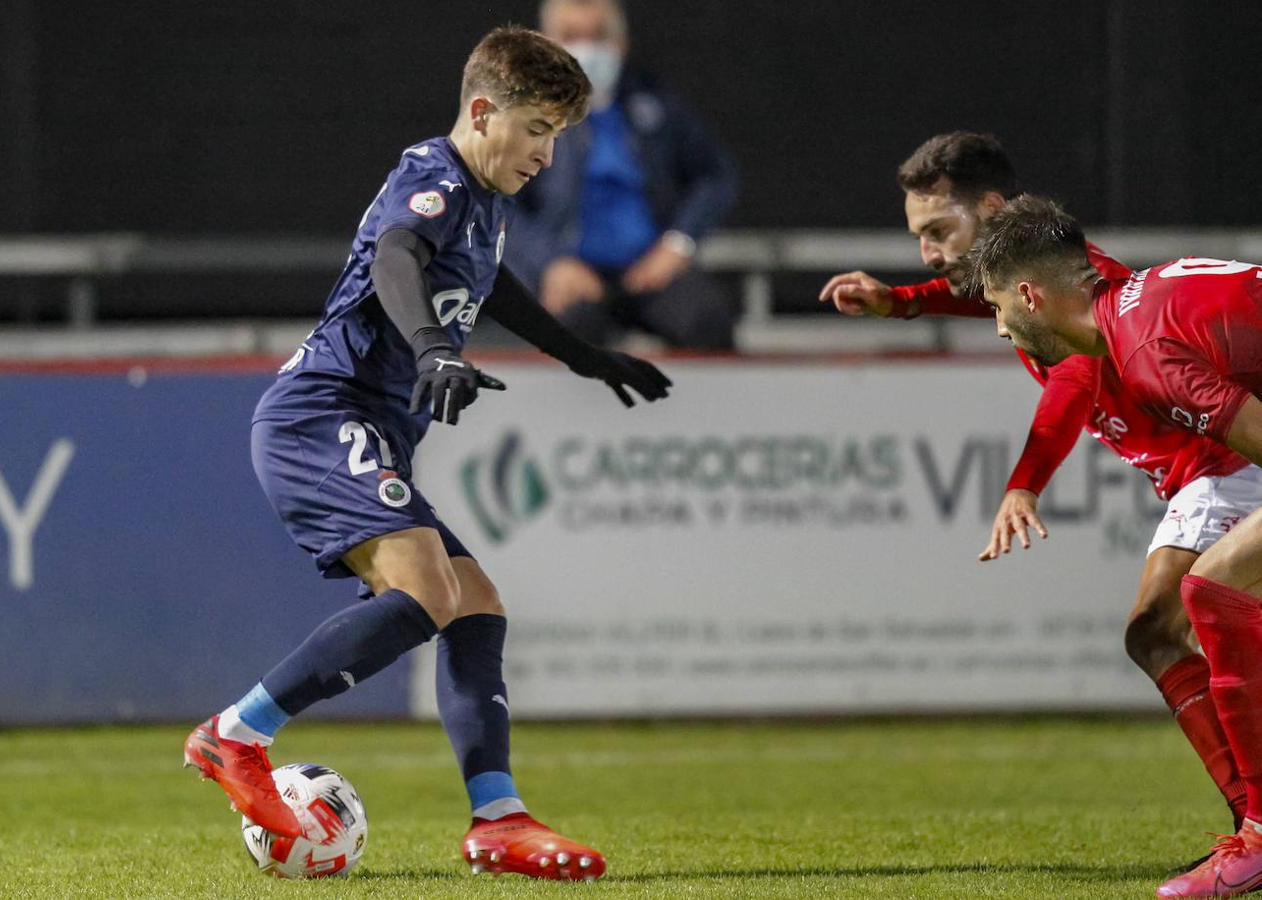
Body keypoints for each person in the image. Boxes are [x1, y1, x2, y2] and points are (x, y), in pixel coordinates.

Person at [182, 25, 671, 882]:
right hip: (320, 412)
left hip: (362, 423)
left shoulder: (484, 206)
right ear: (482, 112)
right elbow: (396, 257)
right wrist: (432, 348)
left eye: (558, 137)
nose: (547, 156)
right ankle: (237, 734)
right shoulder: (434, 174)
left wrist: (582, 356)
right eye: (536, 132)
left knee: (475, 603)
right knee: (429, 588)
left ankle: (498, 820)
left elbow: (495, 289)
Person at [818, 132, 1250, 831]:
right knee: (1172, 630)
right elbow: (980, 295)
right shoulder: (1038, 280)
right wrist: (902, 302)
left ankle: (1253, 825)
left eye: (937, 230)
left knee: (1159, 628)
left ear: (991, 207)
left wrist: (1024, 483)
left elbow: (1077, 375)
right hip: (1204, 468)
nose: (927, 251)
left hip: (1220, 462)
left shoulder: (1073, 293)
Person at [970, 194, 1262, 897]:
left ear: (1031, 296)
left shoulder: (1142, 354)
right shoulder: (1145, 296)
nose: (1002, 328)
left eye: (997, 307)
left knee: (1212, 592)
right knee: (1209, 592)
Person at [501, 0, 740, 350]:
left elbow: (715, 176)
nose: (586, 50)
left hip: (647, 272)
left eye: (598, 37)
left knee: (707, 320)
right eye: (571, 36)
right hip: (571, 274)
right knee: (572, 332)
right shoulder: (520, 120)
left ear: (621, 44)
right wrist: (550, 263)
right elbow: (496, 205)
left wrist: (677, 244)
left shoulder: (653, 105)